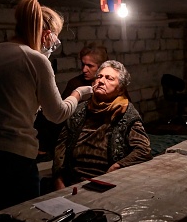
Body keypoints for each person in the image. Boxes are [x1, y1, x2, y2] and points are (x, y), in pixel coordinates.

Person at [0, 0, 92, 222]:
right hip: (11, 160)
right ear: (47, 35)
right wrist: (78, 93)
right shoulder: (36, 59)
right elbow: (57, 113)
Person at [52, 60, 152, 190]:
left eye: (109, 78)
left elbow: (143, 150)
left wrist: (117, 166)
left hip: (106, 182)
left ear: (120, 89)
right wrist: (58, 179)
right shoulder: (80, 110)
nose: (101, 81)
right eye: (99, 77)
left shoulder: (126, 114)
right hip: (73, 180)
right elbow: (61, 146)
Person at [34, 42, 108, 161]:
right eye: (83, 64)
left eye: (90, 66)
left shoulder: (110, 85)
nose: (84, 69)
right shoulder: (75, 83)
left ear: (101, 67)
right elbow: (60, 114)